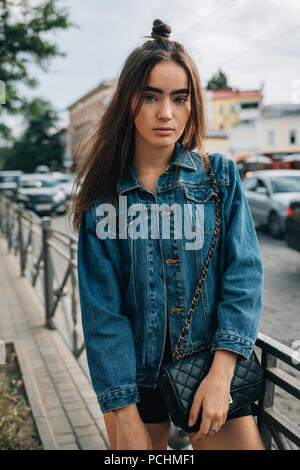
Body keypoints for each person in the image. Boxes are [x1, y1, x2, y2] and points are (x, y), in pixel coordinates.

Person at [71, 19, 266, 450]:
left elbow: (244, 277)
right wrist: (124, 411)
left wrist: (221, 375)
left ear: (192, 104)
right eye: (151, 97)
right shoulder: (104, 198)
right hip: (133, 384)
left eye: (180, 99)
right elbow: (103, 312)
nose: (166, 113)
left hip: (209, 371)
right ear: (129, 103)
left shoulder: (220, 179)